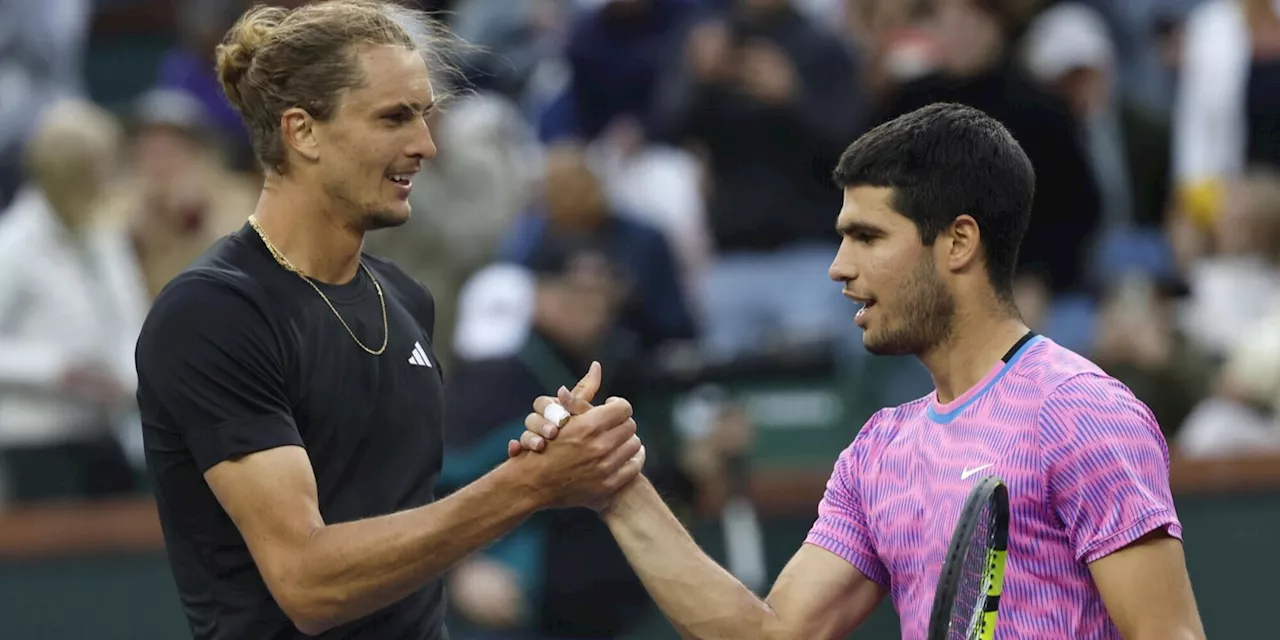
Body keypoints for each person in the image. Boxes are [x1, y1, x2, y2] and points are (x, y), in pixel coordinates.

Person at [514, 103, 1207, 639]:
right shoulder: (878, 452)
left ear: (959, 242)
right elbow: (773, 634)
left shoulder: (1081, 413)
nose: (840, 268)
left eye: (868, 238)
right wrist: (616, 487)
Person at [133, 2, 643, 639]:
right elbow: (309, 582)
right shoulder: (213, 313)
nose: (425, 145)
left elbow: (412, 526)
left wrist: (537, 461)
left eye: (425, 116)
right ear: (303, 132)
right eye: (395, 118)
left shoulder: (405, 300)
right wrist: (525, 486)